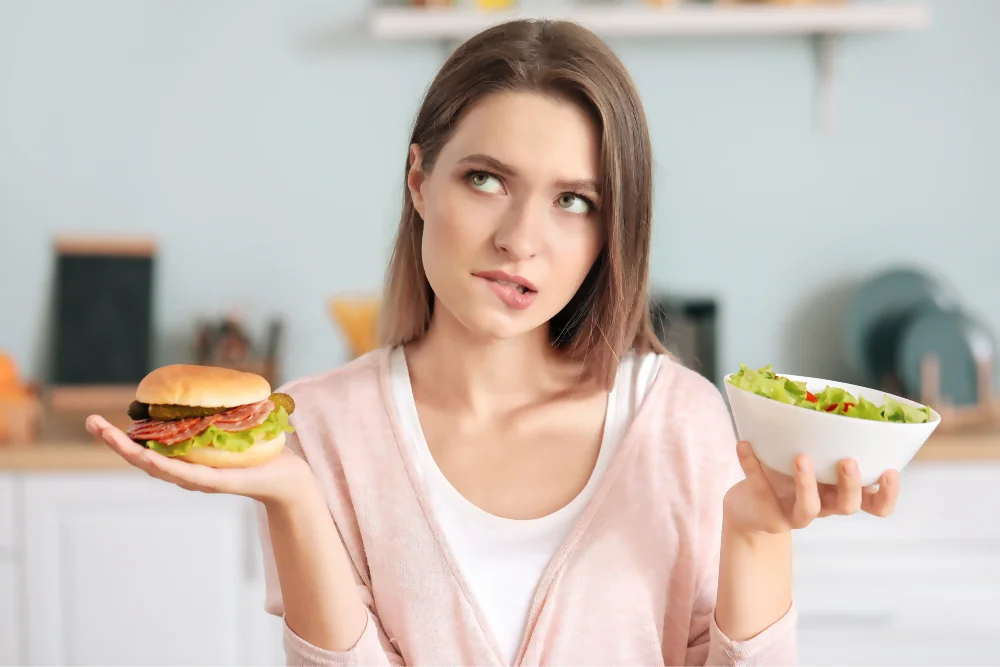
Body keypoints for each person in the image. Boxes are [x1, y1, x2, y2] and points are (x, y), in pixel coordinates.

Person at [87, 19, 901, 667]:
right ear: (419, 181)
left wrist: (756, 532)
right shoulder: (322, 427)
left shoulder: (677, 419)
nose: (522, 239)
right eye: (486, 179)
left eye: (574, 200)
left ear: (613, 228)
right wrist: (294, 497)